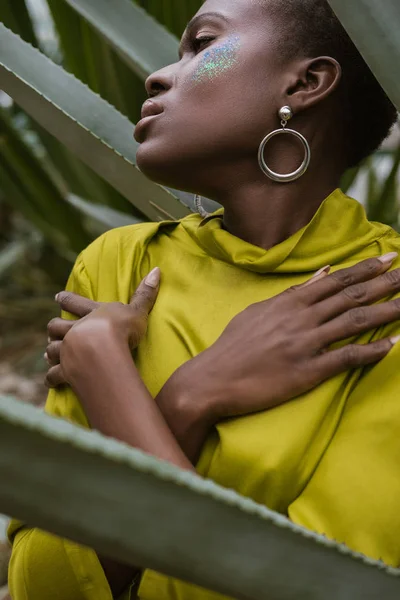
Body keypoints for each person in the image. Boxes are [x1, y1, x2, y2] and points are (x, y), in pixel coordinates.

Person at [8, 0, 400, 599]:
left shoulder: (381, 296)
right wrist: (182, 399)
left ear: (307, 82)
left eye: (202, 43)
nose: (158, 74)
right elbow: (38, 584)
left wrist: (167, 393)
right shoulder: (119, 266)